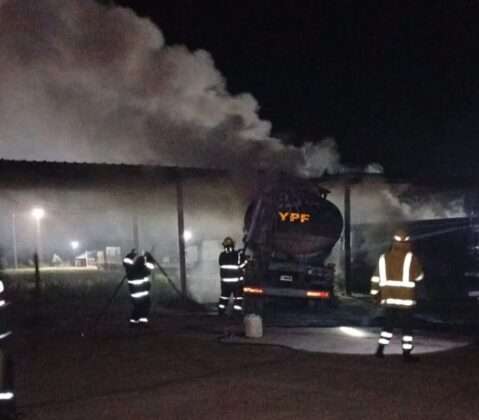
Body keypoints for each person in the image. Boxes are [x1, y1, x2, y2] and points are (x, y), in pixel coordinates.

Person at [371, 228, 424, 362]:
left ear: (393, 242)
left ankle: (380, 350)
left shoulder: (383, 258)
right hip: (405, 300)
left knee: (388, 325)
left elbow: (376, 278)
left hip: (389, 298)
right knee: (407, 328)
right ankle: (406, 354)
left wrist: (375, 294)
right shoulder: (411, 258)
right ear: (408, 243)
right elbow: (419, 277)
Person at [123, 249, 155, 327]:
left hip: (134, 294)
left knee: (137, 308)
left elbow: (126, 261)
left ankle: (133, 322)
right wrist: (148, 256)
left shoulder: (130, 269)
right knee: (144, 308)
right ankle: (142, 322)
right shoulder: (144, 270)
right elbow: (151, 265)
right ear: (143, 263)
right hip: (143, 295)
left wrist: (132, 254)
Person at [217, 237, 247, 316]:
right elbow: (242, 266)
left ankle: (221, 313)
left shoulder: (222, 255)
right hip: (236, 283)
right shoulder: (237, 255)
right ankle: (236, 314)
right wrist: (245, 260)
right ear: (233, 245)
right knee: (238, 298)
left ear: (224, 245)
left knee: (224, 298)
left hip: (225, 283)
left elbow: (222, 265)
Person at [0, 275, 15, 419]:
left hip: (3, 346)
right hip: (5, 345)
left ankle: (6, 411)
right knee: (6, 382)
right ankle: (8, 410)